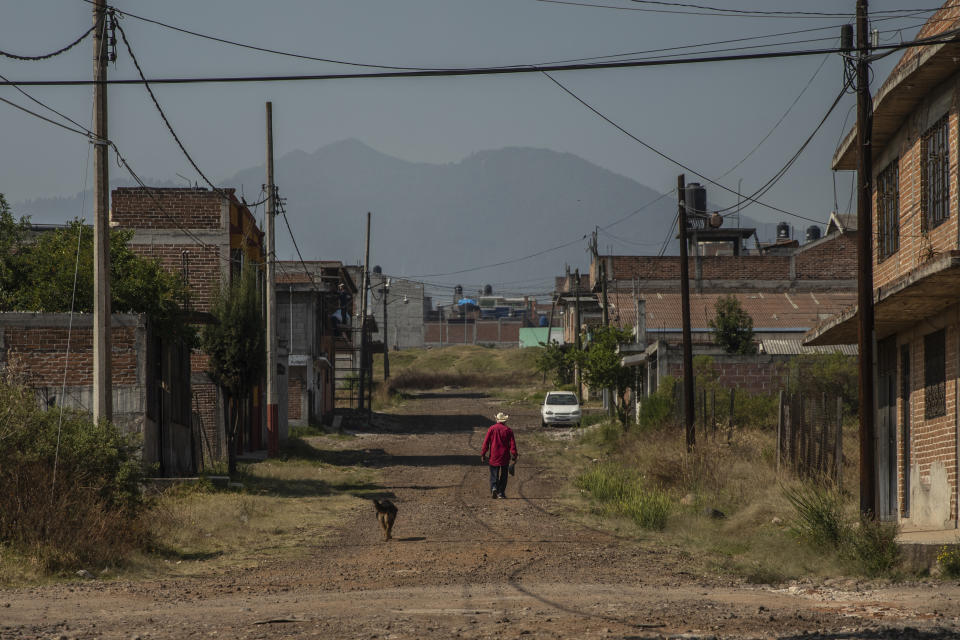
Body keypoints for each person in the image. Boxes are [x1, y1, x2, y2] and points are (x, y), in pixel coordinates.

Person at [480, 412, 518, 499]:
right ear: (505, 421)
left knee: (494, 474)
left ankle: (494, 487)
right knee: (504, 475)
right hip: (504, 457)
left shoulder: (491, 429)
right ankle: (501, 493)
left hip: (494, 456)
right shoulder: (508, 430)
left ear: (497, 419)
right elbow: (513, 445)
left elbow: (486, 443)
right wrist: (514, 455)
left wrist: (483, 454)